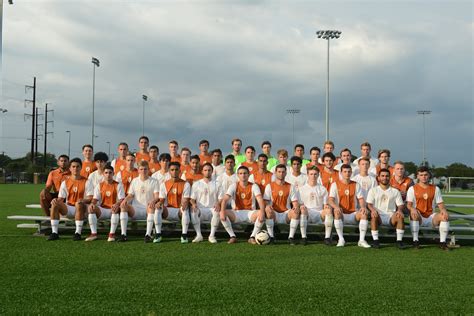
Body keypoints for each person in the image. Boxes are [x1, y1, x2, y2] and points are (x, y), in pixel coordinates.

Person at [47, 158, 93, 241]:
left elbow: (90, 198)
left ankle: (78, 233)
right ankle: (54, 233)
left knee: (78, 204)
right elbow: (61, 198)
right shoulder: (65, 182)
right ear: (70, 168)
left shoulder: (87, 181)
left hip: (82, 208)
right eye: (73, 166)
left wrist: (83, 200)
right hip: (69, 208)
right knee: (54, 204)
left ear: (81, 168)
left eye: (78, 166)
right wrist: (56, 200)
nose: (75, 168)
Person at [406, 166, 450, 250]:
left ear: (429, 175)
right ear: (417, 176)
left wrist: (444, 210)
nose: (423, 177)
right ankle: (415, 241)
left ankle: (442, 242)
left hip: (431, 217)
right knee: (413, 215)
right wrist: (412, 209)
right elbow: (409, 204)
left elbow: (440, 204)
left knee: (444, 216)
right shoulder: (412, 189)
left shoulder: (435, 188)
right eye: (421, 175)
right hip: (419, 216)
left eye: (425, 175)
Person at [219, 166, 266, 244]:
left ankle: (252, 237)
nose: (243, 175)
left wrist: (262, 212)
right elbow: (224, 200)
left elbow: (260, 200)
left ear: (248, 174)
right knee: (221, 213)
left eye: (245, 173)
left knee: (261, 213)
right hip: (236, 213)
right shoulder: (234, 185)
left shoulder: (254, 186)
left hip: (251, 213)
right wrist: (222, 211)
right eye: (240, 173)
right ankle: (232, 236)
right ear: (238, 175)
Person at [328, 164, 370, 248]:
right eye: (345, 172)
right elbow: (330, 200)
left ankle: (361, 240)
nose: (347, 173)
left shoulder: (356, 184)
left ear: (351, 173)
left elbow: (361, 199)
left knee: (364, 213)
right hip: (341, 213)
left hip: (353, 213)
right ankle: (341, 239)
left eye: (349, 172)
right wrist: (336, 207)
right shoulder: (335, 184)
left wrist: (363, 207)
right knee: (336, 212)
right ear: (341, 173)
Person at [119, 160, 160, 242]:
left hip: (148, 209)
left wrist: (153, 201)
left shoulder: (154, 181)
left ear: (148, 169)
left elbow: (157, 196)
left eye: (145, 169)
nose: (143, 171)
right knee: (123, 206)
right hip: (135, 209)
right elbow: (131, 195)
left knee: (151, 207)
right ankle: (123, 234)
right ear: (138, 170)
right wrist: (125, 200)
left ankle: (147, 235)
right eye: (141, 169)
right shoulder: (134, 181)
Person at [366, 168, 405, 249]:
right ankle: (376, 241)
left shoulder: (395, 191)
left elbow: (400, 205)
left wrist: (399, 210)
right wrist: (373, 210)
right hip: (378, 216)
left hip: (391, 216)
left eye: (387, 176)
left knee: (400, 216)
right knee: (373, 215)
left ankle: (399, 241)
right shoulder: (373, 190)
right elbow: (369, 204)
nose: (385, 178)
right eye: (382, 176)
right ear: (378, 178)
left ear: (390, 177)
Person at [86, 164, 125, 242]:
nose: (108, 175)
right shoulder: (99, 185)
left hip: (114, 209)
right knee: (91, 209)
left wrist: (117, 204)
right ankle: (93, 234)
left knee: (115, 208)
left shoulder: (118, 185)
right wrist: (92, 204)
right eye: (106, 173)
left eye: (110, 173)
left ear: (113, 174)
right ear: (103, 174)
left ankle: (111, 234)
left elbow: (121, 199)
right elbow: (95, 199)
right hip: (102, 209)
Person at [154, 162, 191, 243]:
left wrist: (184, 204)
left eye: (176, 169)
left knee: (185, 209)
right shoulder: (164, 184)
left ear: (179, 171)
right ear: (169, 171)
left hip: (179, 211)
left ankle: (184, 235)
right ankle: (158, 234)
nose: (174, 171)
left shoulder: (186, 184)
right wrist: (159, 203)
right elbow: (162, 199)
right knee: (157, 208)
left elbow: (185, 200)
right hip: (168, 210)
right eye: (172, 170)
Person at [263, 164, 300, 245]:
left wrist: (296, 207)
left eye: (283, 172)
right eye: (279, 172)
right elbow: (265, 201)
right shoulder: (269, 186)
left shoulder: (291, 186)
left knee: (296, 211)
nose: (281, 174)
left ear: (286, 173)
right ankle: (271, 237)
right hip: (274, 213)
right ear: (275, 173)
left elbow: (295, 202)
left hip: (286, 213)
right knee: (267, 209)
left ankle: (291, 237)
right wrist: (267, 206)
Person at [299, 166, 333, 245]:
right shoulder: (302, 189)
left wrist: (327, 207)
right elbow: (300, 204)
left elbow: (325, 205)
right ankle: (304, 237)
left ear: (318, 175)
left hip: (319, 213)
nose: (313, 176)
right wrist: (301, 206)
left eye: (315, 174)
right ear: (307, 175)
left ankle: (327, 238)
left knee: (328, 210)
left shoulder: (322, 189)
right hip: (307, 212)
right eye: (311, 174)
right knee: (303, 209)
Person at [189, 163, 221, 243]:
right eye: (205, 170)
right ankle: (199, 235)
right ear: (202, 171)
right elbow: (192, 198)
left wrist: (218, 203)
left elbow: (221, 198)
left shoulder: (217, 183)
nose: (207, 172)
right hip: (200, 209)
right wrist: (193, 204)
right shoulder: (196, 184)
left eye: (209, 170)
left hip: (212, 208)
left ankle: (212, 236)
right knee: (193, 211)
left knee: (217, 211)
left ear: (212, 171)